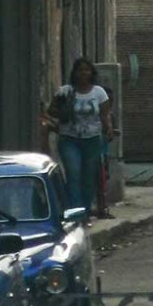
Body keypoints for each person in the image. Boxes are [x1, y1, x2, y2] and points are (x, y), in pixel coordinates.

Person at [45, 58, 113, 218]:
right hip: (69, 139)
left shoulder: (99, 93)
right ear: (74, 73)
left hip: (92, 139)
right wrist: (64, 111)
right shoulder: (65, 91)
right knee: (74, 174)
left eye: (87, 70)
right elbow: (51, 110)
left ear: (92, 73)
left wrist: (108, 128)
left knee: (89, 177)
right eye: (80, 70)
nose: (83, 73)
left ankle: (86, 210)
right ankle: (75, 214)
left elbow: (105, 114)